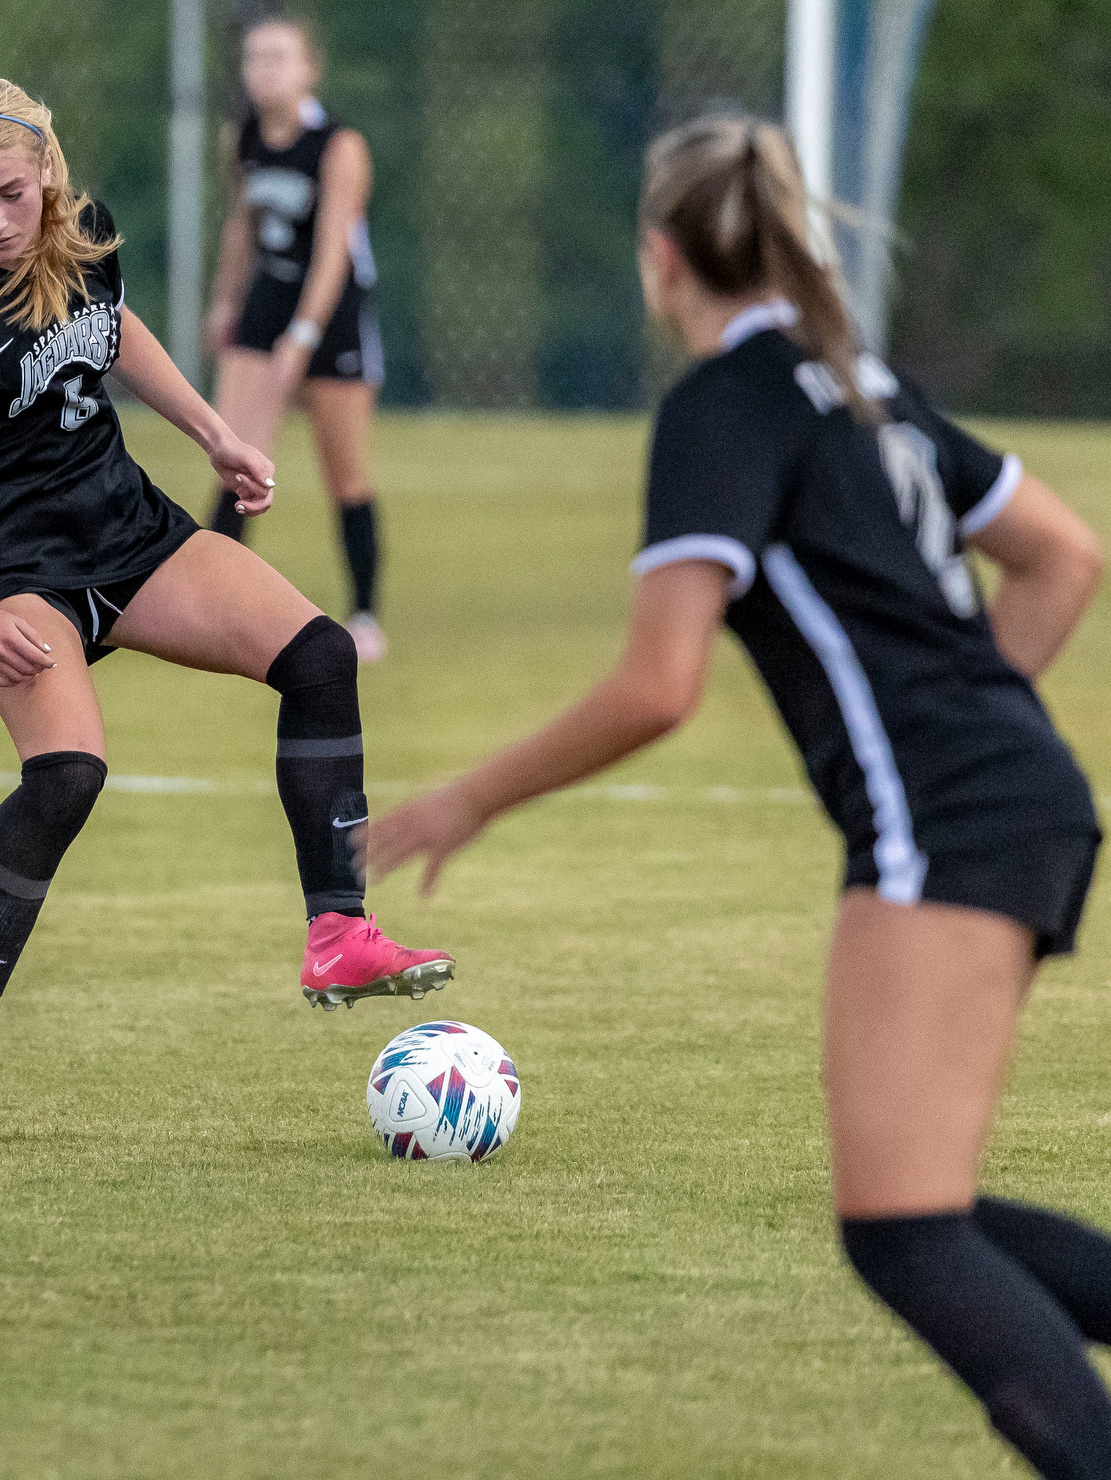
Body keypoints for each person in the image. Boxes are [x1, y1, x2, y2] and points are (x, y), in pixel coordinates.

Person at [363, 116, 1111, 1477]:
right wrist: (965, 723)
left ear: (660, 259)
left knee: (903, 1232)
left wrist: (467, 799)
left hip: (950, 818)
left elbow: (658, 685)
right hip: (1016, 799)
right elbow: (1062, 559)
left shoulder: (722, 408)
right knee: (916, 1213)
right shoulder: (854, 385)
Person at [0, 77, 455, 1154]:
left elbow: (112, 330)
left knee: (316, 654)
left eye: (11, 195)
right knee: (67, 773)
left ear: (50, 177)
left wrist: (212, 430)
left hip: (124, 529)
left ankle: (336, 930)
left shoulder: (81, 231)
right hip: (5, 563)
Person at [202, 16, 389, 663]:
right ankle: (206, 603)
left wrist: (303, 337)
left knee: (347, 474)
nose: (264, 71)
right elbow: (242, 226)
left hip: (329, 316)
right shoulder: (246, 136)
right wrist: (225, 301)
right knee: (234, 457)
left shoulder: (338, 146)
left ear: (310, 68)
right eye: (255, 59)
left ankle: (365, 615)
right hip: (266, 304)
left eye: (280, 58)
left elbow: (334, 252)